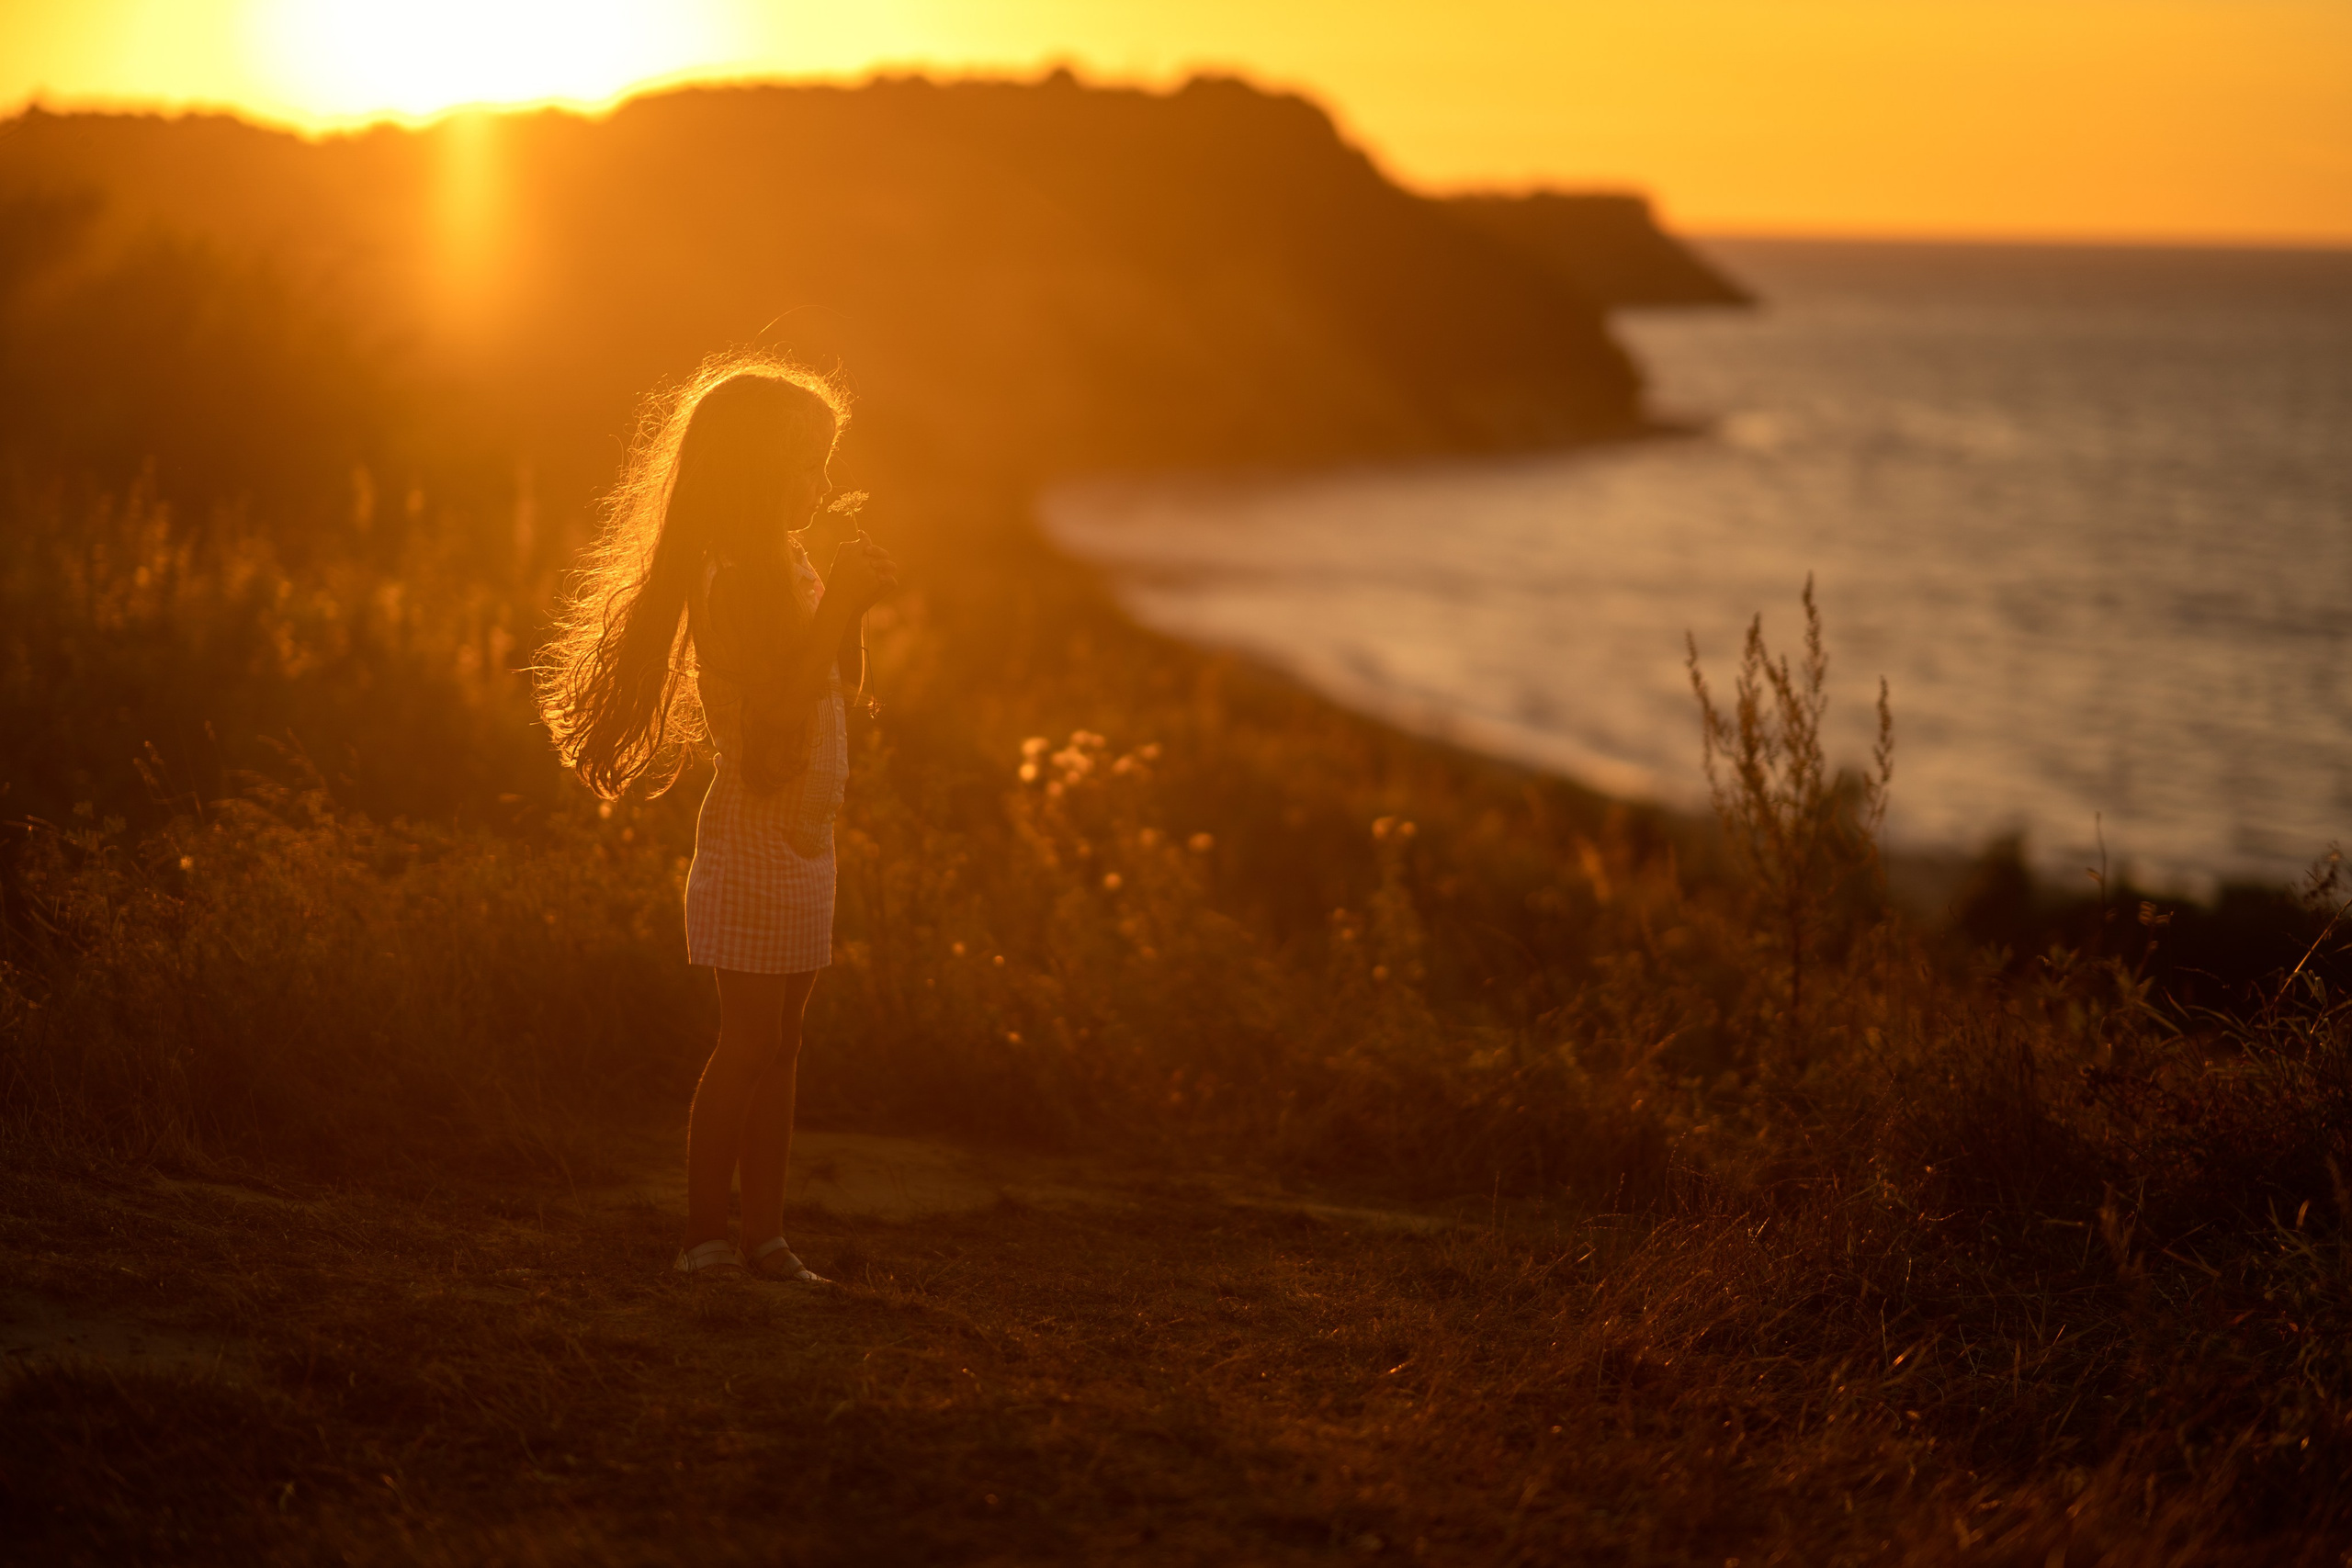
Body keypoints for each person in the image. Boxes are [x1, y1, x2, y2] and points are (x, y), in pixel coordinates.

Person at [537, 354, 899, 1281]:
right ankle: (703, 1239)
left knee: (784, 1046)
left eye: (825, 461)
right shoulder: (730, 571)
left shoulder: (790, 560)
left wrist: (850, 608)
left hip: (806, 837)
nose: (820, 483)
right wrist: (841, 607)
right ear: (751, 466)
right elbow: (776, 709)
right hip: (751, 835)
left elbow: (836, 685)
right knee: (746, 1042)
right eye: (804, 461)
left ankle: (766, 1239)